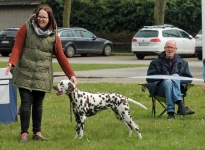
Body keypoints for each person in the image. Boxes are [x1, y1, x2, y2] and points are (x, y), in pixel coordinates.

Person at [5, 4, 77, 142]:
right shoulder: (25, 27)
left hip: (42, 74)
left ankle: (37, 133)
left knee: (38, 104)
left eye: (44, 17)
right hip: (24, 71)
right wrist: (11, 63)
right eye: (39, 16)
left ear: (49, 19)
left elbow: (61, 56)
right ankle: (24, 133)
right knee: (26, 103)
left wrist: (71, 74)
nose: (41, 19)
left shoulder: (54, 35)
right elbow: (17, 48)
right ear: (36, 16)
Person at [146, 40, 195, 120]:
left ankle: (171, 114)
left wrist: (177, 80)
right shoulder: (154, 63)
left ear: (175, 49)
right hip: (160, 90)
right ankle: (180, 105)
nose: (170, 49)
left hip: (177, 89)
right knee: (168, 81)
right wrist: (161, 78)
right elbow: (149, 78)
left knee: (173, 77)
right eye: (168, 47)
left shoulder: (183, 63)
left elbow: (188, 79)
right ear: (164, 48)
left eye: (172, 47)